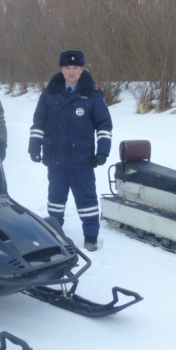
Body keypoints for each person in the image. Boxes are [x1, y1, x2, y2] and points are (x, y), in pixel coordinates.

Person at [28, 50, 113, 251]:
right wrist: (34, 145)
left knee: (86, 198)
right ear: (61, 69)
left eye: (75, 68)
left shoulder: (92, 94)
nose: (71, 72)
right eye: (67, 67)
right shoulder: (49, 92)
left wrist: (103, 151)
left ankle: (91, 236)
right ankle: (54, 232)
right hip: (55, 157)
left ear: (82, 69)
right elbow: (39, 121)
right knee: (56, 198)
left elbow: (104, 125)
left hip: (82, 158)